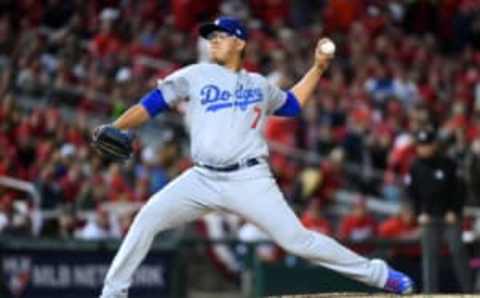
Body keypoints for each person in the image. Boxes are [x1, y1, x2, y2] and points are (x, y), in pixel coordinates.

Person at [98, 16, 414, 298]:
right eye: (211, 37)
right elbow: (150, 104)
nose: (213, 41)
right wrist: (116, 125)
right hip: (202, 177)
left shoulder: (260, 84)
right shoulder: (195, 75)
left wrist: (318, 68)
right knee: (148, 217)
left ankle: (381, 275)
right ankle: (113, 294)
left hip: (248, 179)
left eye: (220, 36)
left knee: (299, 241)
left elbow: (292, 104)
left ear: (240, 42)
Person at [406, 128, 472, 293]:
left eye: (427, 144)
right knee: (429, 256)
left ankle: (470, 291)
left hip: (449, 216)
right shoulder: (415, 166)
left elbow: (460, 189)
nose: (424, 148)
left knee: (458, 251)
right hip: (429, 217)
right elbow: (411, 193)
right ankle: (430, 293)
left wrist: (454, 210)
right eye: (421, 145)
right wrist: (419, 213)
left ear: (434, 145)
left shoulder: (447, 163)